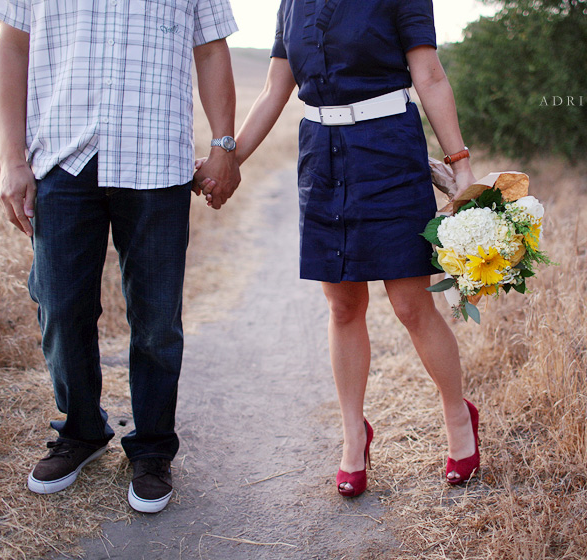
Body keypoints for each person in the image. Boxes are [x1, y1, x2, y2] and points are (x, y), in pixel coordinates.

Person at [205, 0, 480, 496]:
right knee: (343, 303)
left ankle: (459, 418)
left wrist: (459, 163)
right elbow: (274, 89)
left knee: (410, 304)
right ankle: (355, 435)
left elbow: (430, 75)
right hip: (322, 158)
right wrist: (230, 160)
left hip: (390, 152)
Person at [0, 0, 241, 513]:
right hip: (61, 158)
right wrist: (12, 159)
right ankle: (80, 430)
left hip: (157, 159)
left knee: (156, 321)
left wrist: (223, 144)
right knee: (60, 306)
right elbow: (13, 46)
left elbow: (211, 50)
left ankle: (151, 448)